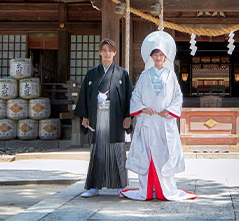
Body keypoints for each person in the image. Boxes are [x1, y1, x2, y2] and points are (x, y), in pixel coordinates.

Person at [120, 30, 195, 201]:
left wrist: (168, 110)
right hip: (148, 120)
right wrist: (143, 108)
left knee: (164, 156)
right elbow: (136, 95)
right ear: (151, 57)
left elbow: (177, 97)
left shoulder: (171, 76)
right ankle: (146, 189)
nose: (158, 57)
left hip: (164, 121)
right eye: (155, 54)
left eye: (161, 54)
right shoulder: (145, 75)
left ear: (166, 57)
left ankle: (165, 190)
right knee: (147, 155)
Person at [73, 38, 133, 198]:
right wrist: (85, 116)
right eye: (104, 50)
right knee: (97, 151)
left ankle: (121, 186)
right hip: (97, 117)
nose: (107, 53)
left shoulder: (122, 73)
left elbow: (129, 97)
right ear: (100, 52)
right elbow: (85, 96)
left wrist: (128, 116)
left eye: (110, 50)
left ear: (114, 53)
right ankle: (94, 187)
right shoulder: (92, 73)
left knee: (118, 151)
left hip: (116, 118)